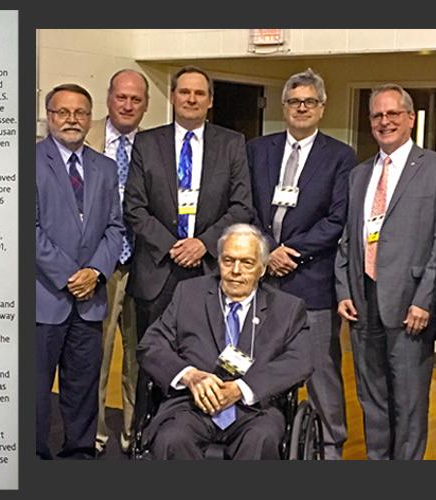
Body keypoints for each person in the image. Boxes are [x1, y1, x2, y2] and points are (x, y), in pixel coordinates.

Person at [124, 66, 252, 447]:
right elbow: (134, 207)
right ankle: (149, 439)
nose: (191, 99)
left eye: (199, 93)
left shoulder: (232, 143)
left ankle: (206, 434)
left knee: (212, 355)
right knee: (153, 362)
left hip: (210, 270)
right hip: (158, 272)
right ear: (174, 97)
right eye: (184, 92)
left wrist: (204, 243)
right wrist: (171, 245)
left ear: (210, 101)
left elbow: (241, 206)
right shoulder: (147, 143)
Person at [335, 83, 436, 460]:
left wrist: (425, 301)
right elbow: (346, 240)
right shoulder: (359, 175)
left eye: (392, 114)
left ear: (410, 119)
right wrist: (343, 290)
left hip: (409, 306)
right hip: (363, 300)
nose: (385, 122)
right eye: (377, 115)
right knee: (371, 399)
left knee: (408, 402)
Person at [247, 68, 356, 460]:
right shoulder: (258, 150)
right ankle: (267, 440)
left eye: (310, 102)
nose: (302, 108)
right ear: (284, 106)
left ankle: (330, 447)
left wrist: (289, 251)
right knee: (262, 365)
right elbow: (247, 208)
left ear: (322, 108)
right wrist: (268, 250)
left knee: (321, 369)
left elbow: (336, 220)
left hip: (311, 281)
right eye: (295, 102)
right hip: (262, 280)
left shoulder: (341, 157)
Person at [137, 224, 312, 459]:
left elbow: (300, 360)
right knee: (172, 438)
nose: (236, 270)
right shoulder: (189, 293)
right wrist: (190, 376)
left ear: (262, 269)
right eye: (228, 261)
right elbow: (151, 344)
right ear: (219, 262)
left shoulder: (287, 308)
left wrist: (242, 389)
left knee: (262, 439)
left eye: (247, 263)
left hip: (253, 408)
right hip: (192, 404)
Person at [35, 83, 124, 459]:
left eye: (80, 113)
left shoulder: (104, 167)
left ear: (91, 118)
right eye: (62, 112)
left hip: (90, 300)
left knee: (83, 385)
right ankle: (34, 456)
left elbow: (115, 227)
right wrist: (70, 275)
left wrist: (96, 273)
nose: (72, 119)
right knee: (37, 387)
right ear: (49, 116)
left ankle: (80, 453)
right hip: (45, 297)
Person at [85, 69, 149, 455]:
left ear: (146, 104)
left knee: (140, 356)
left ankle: (133, 430)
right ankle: (92, 432)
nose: (128, 105)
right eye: (121, 97)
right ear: (109, 97)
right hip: (97, 265)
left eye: (136, 99)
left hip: (144, 263)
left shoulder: (155, 144)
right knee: (96, 353)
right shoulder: (83, 135)